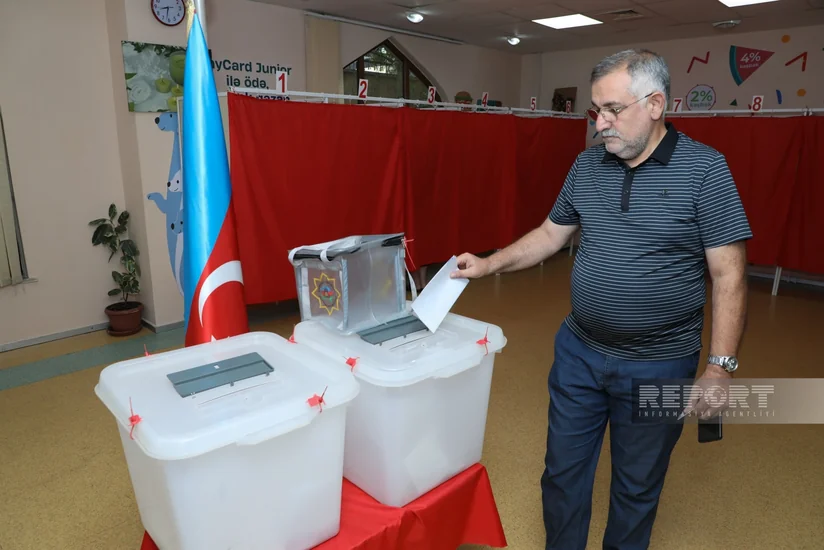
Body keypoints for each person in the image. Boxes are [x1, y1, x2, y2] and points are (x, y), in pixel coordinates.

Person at [451, 49, 752, 550]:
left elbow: (729, 275)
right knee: (562, 477)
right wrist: (489, 264)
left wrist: (720, 368)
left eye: (613, 110)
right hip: (579, 354)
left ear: (655, 104)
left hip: (660, 363)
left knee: (636, 489)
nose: (600, 125)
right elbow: (551, 235)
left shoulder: (705, 171)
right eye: (595, 111)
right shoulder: (587, 165)